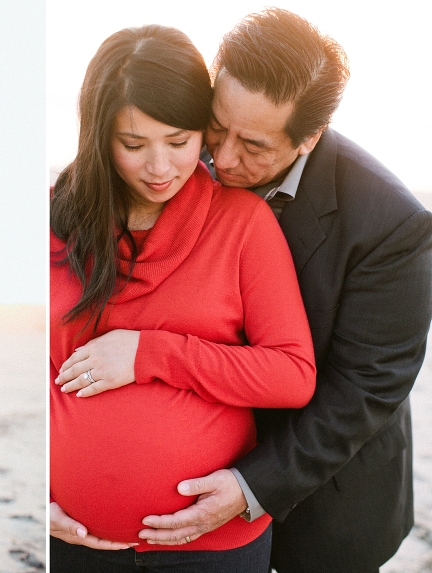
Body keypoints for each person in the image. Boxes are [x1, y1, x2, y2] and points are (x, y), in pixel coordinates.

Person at [58, 9, 432, 573]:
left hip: (318, 492)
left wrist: (251, 487)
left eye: (253, 146)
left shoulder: (390, 223)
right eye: (214, 127)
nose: (222, 159)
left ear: (309, 137)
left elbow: (365, 386)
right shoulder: (172, 157)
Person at [49, 24, 316, 572]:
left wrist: (150, 353)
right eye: (132, 144)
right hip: (70, 540)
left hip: (209, 549)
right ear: (98, 136)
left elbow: (292, 374)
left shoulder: (243, 223)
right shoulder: (52, 217)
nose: (159, 167)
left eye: (179, 141)